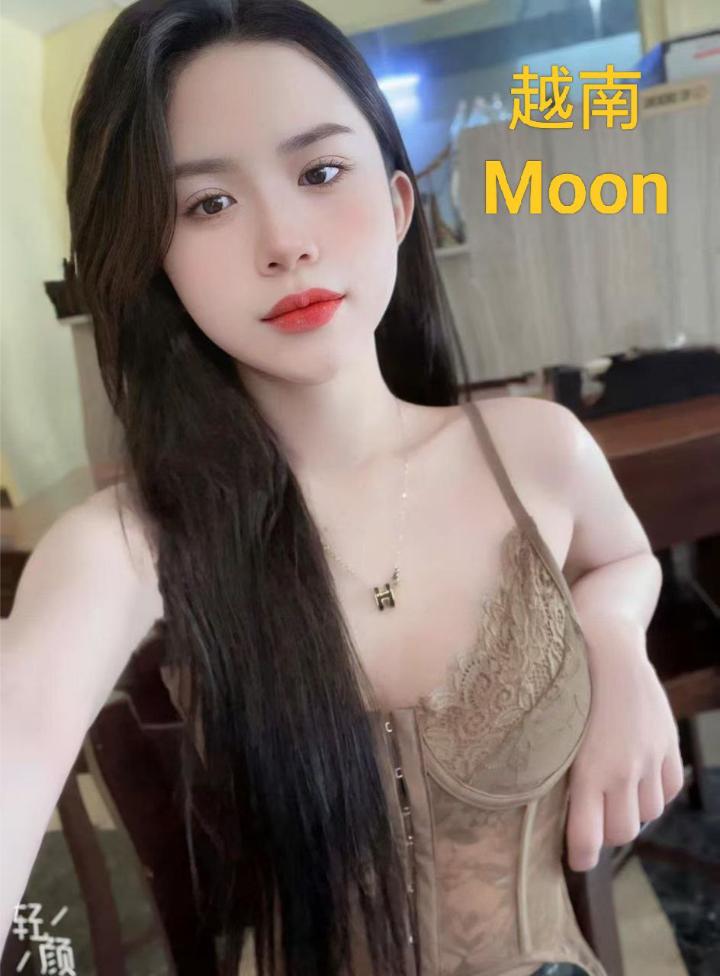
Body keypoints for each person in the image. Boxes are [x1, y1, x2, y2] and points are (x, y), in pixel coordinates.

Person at [0, 2, 684, 975]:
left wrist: (616, 639)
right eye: (208, 204)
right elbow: (21, 721)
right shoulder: (129, 543)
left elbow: (623, 558)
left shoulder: (538, 451)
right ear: (158, 262)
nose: (285, 241)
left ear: (401, 204)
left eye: (320, 172)